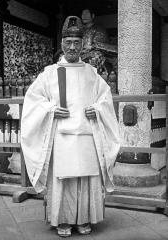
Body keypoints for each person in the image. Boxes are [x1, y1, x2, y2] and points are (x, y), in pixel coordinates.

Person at [21, 16, 120, 237]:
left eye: (77, 42)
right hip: (62, 137)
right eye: (68, 43)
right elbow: (33, 100)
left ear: (83, 44)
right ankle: (62, 220)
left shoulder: (92, 74)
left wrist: (98, 109)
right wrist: (50, 109)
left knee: (86, 179)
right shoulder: (49, 73)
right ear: (62, 45)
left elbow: (105, 98)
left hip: (87, 135)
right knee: (62, 181)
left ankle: (84, 219)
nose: (73, 47)